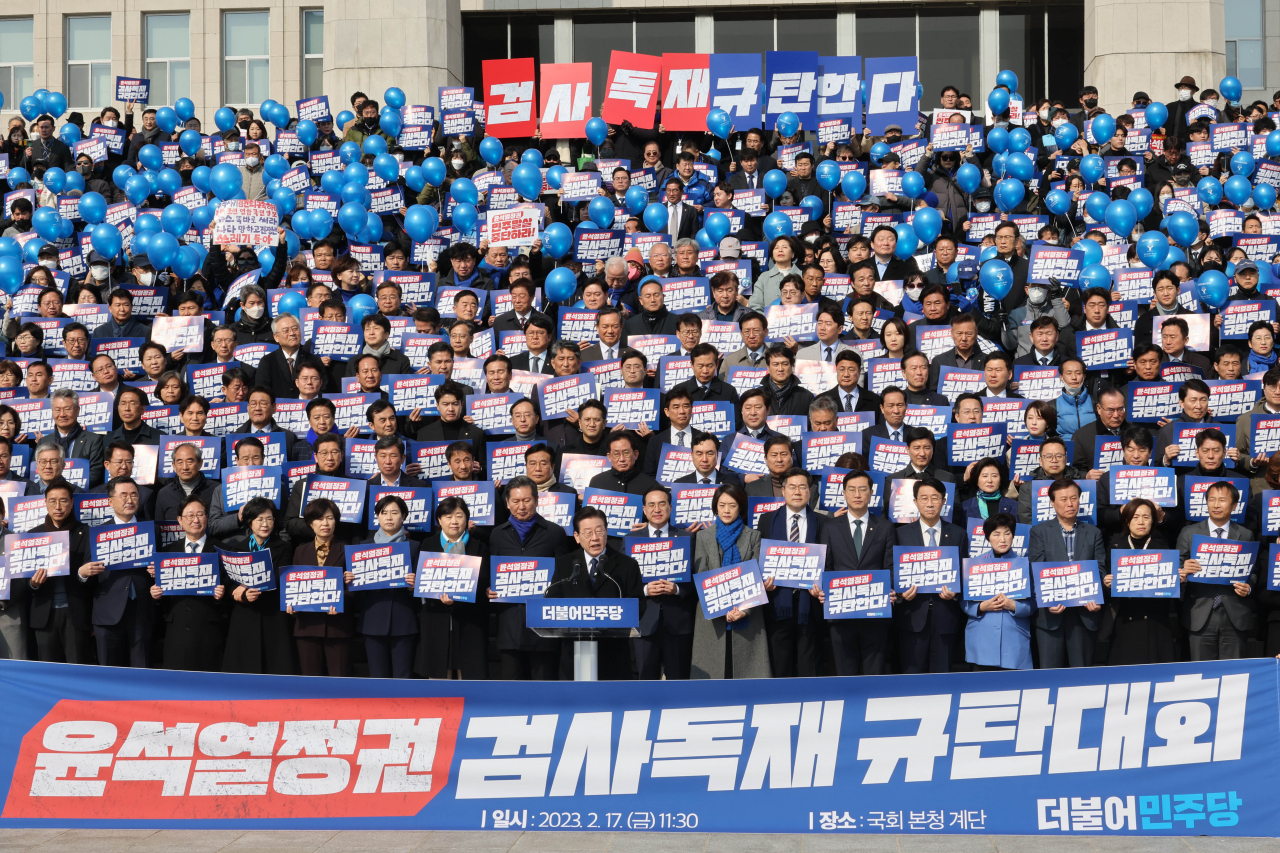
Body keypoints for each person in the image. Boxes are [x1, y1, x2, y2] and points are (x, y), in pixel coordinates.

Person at [544, 506, 645, 680]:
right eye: (588, 533)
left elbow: (639, 606)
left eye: (599, 531)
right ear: (576, 537)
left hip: (613, 652)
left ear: (606, 532)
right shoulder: (565, 564)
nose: (595, 538)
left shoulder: (627, 565)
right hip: (574, 651)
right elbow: (553, 600)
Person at [486, 475, 567, 680]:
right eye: (515, 501)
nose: (521, 506)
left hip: (543, 626)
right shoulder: (497, 534)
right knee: (512, 688)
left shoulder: (554, 533)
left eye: (526, 500)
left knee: (544, 687)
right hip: (510, 624)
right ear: (507, 503)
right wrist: (489, 589)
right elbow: (492, 573)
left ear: (537, 500)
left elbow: (564, 577)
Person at [690, 483, 769, 679]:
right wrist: (721, 605)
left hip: (746, 614)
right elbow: (701, 574)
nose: (726, 510)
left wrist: (744, 609)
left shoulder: (754, 536)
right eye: (722, 504)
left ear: (740, 508)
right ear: (715, 507)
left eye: (732, 505)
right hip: (712, 617)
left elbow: (755, 576)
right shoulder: (703, 536)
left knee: (747, 675)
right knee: (712, 677)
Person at [1028, 478, 1108, 668]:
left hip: (1084, 612)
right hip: (1051, 614)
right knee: (1050, 672)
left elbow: (1100, 568)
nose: (1070, 503)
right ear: (1053, 503)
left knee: (1082, 673)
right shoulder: (1039, 531)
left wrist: (1097, 597)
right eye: (1063, 499)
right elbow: (1036, 569)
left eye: (1074, 498)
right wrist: (1048, 599)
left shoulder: (1093, 532)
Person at [893, 477, 968, 673]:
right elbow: (894, 571)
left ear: (944, 501)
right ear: (915, 502)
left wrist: (956, 593)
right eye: (924, 498)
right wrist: (901, 594)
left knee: (942, 677)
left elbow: (964, 572)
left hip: (946, 616)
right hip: (912, 616)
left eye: (935, 498)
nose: (929, 503)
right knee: (911, 677)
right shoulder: (901, 534)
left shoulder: (958, 534)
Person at [756, 468, 824, 677]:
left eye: (802, 487)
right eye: (792, 487)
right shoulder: (767, 520)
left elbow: (829, 563)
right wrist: (762, 582)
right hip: (777, 603)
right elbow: (759, 557)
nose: (797, 491)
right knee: (780, 664)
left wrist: (823, 585)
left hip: (810, 605)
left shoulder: (824, 522)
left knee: (808, 666)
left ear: (810, 491)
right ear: (783, 490)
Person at [1177, 481, 1256, 660]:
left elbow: (1253, 571)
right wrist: (1183, 571)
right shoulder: (1188, 533)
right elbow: (1175, 571)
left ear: (1234, 505)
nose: (1216, 504)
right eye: (1211, 499)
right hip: (1199, 613)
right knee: (1202, 675)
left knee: (1233, 676)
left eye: (1222, 500)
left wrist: (1248, 587)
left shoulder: (1245, 535)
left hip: (1234, 614)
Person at [152, 495, 228, 672]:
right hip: (176, 630)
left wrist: (220, 596)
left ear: (207, 517)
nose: (196, 519)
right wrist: (156, 595)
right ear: (179, 520)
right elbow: (161, 599)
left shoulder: (222, 550)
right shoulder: (167, 553)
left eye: (200, 514)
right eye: (190, 515)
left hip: (209, 629)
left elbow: (230, 590)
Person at [348, 494, 420, 679]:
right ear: (377, 517)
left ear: (403, 516)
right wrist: (349, 580)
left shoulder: (414, 547)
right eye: (384, 512)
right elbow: (356, 592)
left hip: (404, 620)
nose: (389, 517)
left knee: (403, 678)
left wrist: (415, 585)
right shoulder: (363, 548)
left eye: (394, 512)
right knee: (377, 677)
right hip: (372, 620)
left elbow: (425, 587)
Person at [221, 496, 296, 675]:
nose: (265, 524)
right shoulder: (236, 549)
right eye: (259, 519)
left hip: (273, 616)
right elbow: (229, 582)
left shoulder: (284, 547)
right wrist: (238, 593)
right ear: (249, 522)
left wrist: (248, 588)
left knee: (275, 668)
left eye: (269, 518)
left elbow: (281, 578)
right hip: (245, 616)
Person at [417, 495, 489, 680]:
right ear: (439, 520)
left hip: (469, 618)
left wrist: (457, 598)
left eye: (459, 515)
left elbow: (482, 581)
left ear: (467, 518)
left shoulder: (479, 547)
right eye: (448, 516)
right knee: (439, 672)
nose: (454, 521)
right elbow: (423, 581)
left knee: (469, 672)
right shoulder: (428, 545)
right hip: (436, 617)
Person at [24, 478, 94, 664]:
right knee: (48, 670)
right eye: (52, 501)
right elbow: (23, 581)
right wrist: (33, 583)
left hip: (76, 613)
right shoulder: (32, 535)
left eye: (63, 500)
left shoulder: (86, 532)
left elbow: (94, 579)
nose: (58, 506)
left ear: (72, 503)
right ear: (45, 503)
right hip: (44, 615)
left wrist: (82, 574)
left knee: (78, 668)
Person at [1104, 498, 1180, 665]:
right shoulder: (1116, 548)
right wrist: (1108, 584)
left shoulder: (1163, 548)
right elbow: (1110, 588)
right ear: (1126, 520)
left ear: (1153, 520)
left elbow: (1170, 588)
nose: (1140, 522)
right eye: (1135, 516)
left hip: (1156, 621)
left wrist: (1177, 580)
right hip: (1126, 621)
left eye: (1146, 517)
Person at [89, 476, 154, 667]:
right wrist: (83, 573)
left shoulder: (151, 529)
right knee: (109, 674)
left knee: (142, 672)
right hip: (107, 613)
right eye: (123, 495)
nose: (130, 499)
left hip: (142, 610)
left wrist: (158, 572)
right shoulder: (97, 533)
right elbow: (84, 574)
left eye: (134, 494)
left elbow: (163, 568)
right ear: (110, 501)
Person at [960, 513, 1035, 670]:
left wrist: (1013, 605)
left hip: (1014, 640)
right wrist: (981, 607)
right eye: (996, 534)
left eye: (1007, 533)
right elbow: (964, 601)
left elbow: (1034, 603)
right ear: (987, 537)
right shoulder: (974, 565)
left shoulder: (1024, 564)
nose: (1002, 539)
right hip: (981, 640)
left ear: (1013, 535)